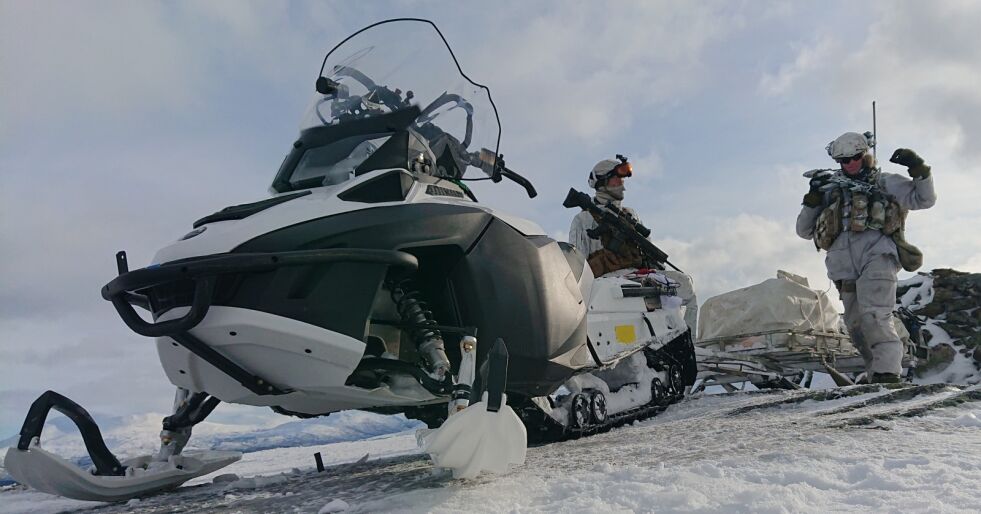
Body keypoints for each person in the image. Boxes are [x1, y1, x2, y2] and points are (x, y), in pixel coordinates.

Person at [796, 132, 936, 383]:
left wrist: (918, 168)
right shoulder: (831, 191)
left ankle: (888, 373)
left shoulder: (884, 182)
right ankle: (876, 375)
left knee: (875, 315)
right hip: (843, 266)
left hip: (878, 255)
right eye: (844, 160)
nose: (850, 164)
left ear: (865, 155)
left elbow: (924, 199)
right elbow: (803, 231)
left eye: (855, 157)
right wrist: (813, 198)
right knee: (856, 325)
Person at [569, 157, 698, 333]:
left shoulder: (629, 215)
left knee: (685, 286)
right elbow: (577, 263)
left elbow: (646, 248)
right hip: (606, 282)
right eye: (617, 179)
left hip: (638, 275)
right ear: (603, 181)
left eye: (623, 180)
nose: (623, 185)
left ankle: (687, 344)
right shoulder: (583, 219)